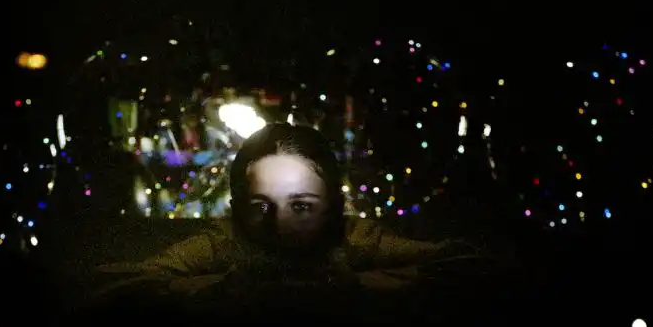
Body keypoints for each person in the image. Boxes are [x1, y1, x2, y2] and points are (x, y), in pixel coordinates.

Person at [90, 123, 508, 308]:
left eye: (301, 206)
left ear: (334, 208)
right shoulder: (226, 243)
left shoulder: (354, 239)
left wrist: (362, 287)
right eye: (260, 206)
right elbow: (117, 282)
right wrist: (221, 290)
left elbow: (471, 266)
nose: (279, 223)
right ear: (237, 209)